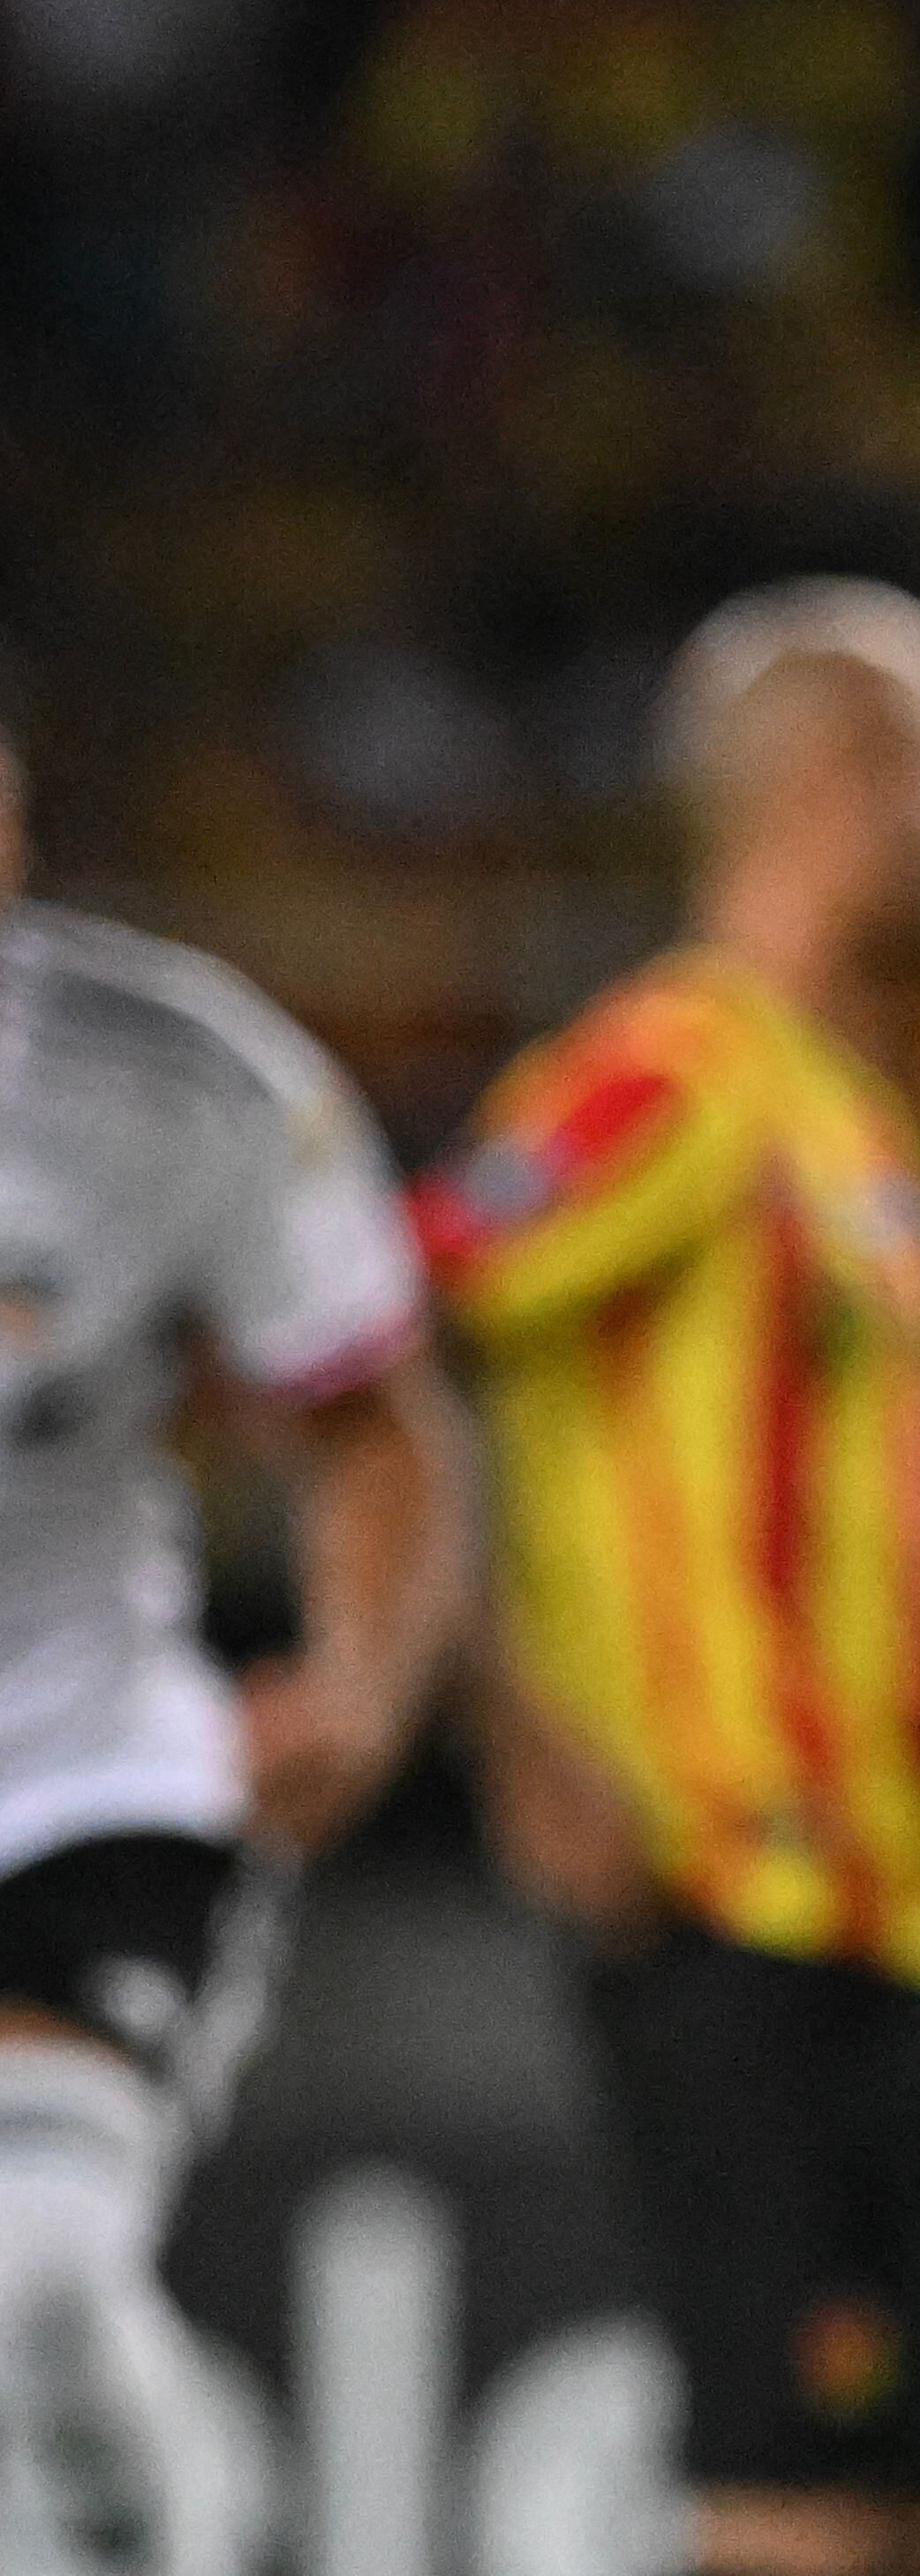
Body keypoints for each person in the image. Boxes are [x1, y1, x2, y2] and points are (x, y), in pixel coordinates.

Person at [415, 583, 920, 2576]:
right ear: (845, 790)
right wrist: (513, 1724)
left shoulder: (842, 1108)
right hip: (743, 1900)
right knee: (799, 2526)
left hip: (913, 1907)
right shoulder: (675, 1068)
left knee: (889, 2516)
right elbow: (363, 1333)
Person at [0, 722, 473, 2570]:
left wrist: (361, 1677)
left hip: (75, 1766)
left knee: (30, 2266)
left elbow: (369, 1418)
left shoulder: (177, 1086)